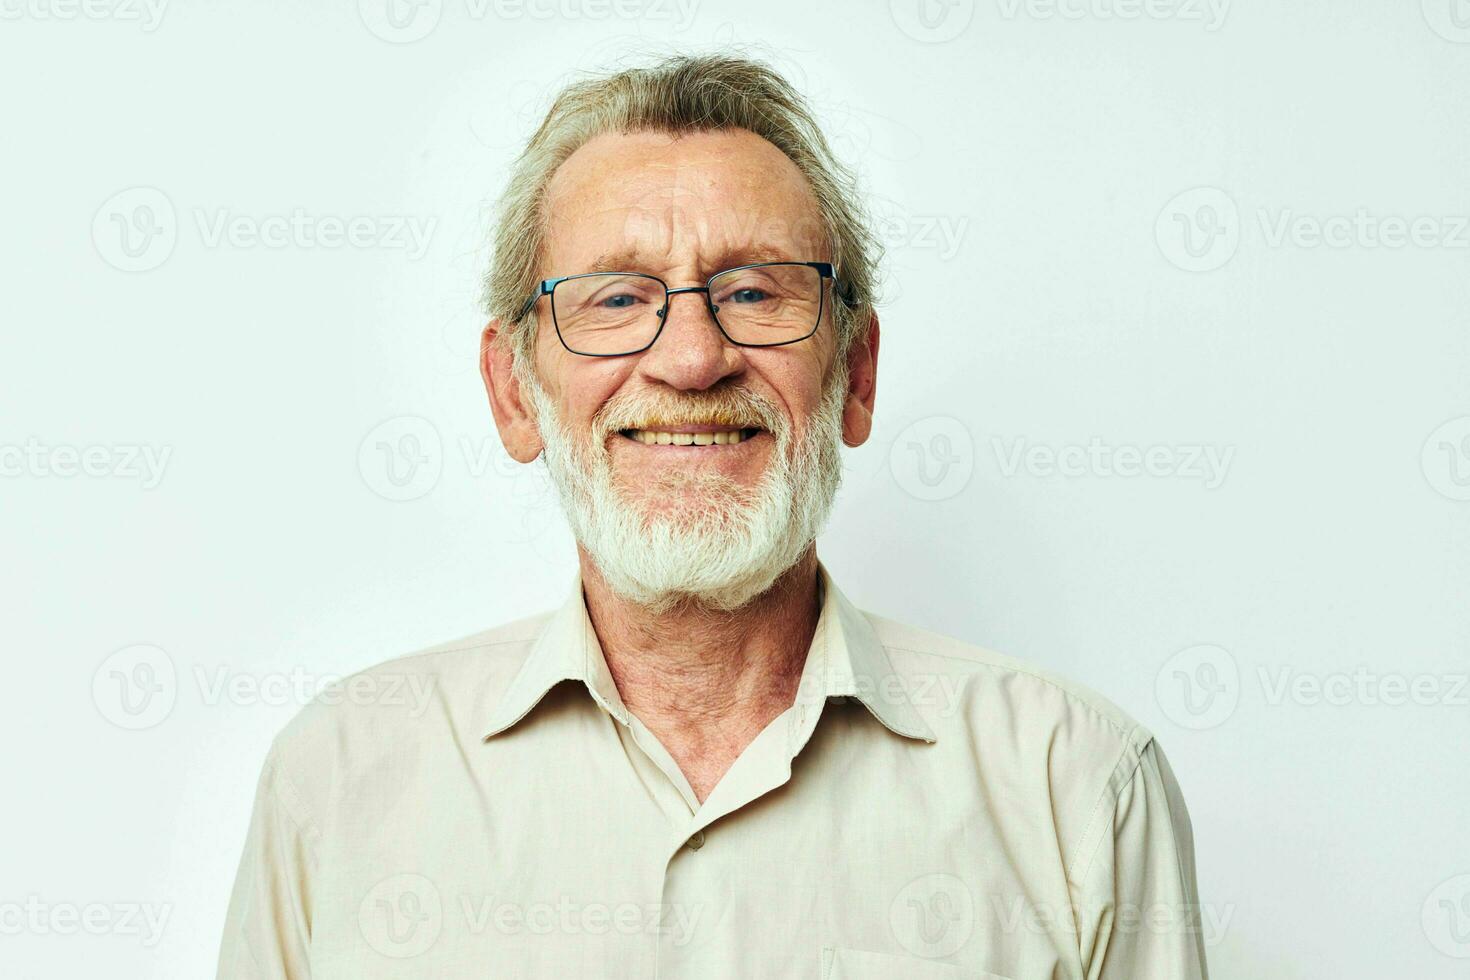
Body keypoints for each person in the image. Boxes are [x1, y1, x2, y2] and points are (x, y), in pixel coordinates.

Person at [218, 53, 1209, 979]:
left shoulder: (1076, 787)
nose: (692, 358)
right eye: (615, 298)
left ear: (856, 374)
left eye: (753, 290)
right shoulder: (341, 778)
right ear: (514, 392)